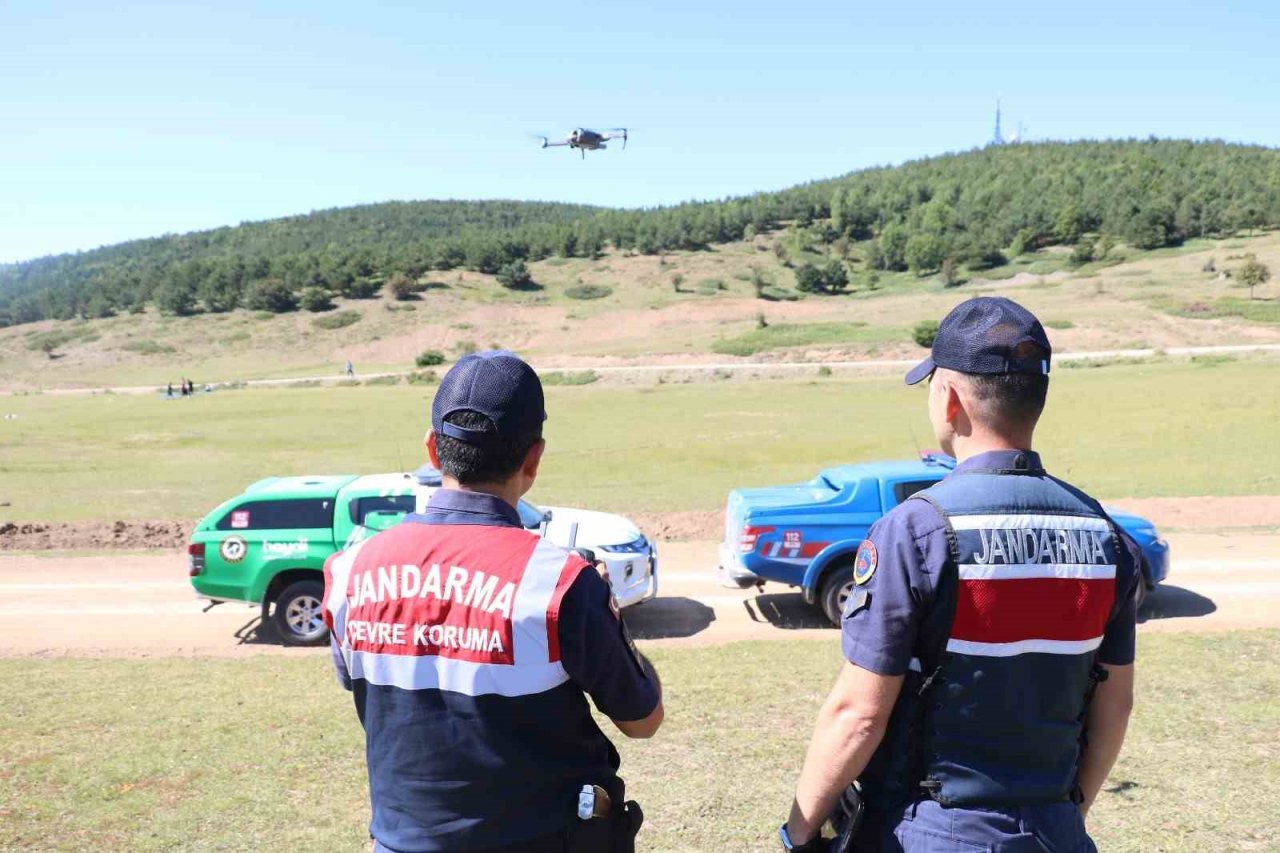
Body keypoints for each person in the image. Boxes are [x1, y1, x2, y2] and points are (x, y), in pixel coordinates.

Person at [781, 297, 1141, 852]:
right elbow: (1113, 705)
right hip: (1058, 832)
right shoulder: (1106, 533)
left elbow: (858, 714)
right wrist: (1067, 814)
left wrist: (798, 833)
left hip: (936, 830)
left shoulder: (914, 530)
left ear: (948, 400)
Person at [323, 349, 664, 853]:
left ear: (433, 451)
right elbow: (643, 720)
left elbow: (362, 689)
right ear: (533, 458)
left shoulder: (348, 571)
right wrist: (610, 617)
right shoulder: (560, 582)